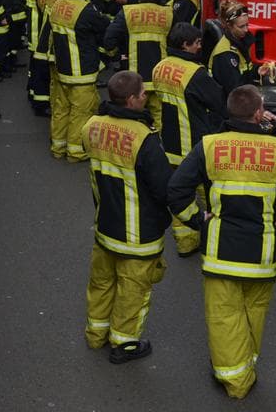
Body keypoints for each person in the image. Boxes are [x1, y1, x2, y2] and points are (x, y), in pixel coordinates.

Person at [168, 85, 276, 399]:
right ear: (257, 112)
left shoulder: (209, 146)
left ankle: (234, 379)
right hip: (262, 256)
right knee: (254, 313)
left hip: (219, 255)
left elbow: (176, 191)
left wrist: (198, 221)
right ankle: (243, 368)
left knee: (225, 317)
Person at [82, 70, 173, 363]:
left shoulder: (91, 126)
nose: (147, 96)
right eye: (143, 94)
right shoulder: (145, 139)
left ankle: (96, 334)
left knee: (102, 283)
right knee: (133, 291)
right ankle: (125, 343)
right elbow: (163, 189)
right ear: (132, 100)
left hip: (105, 225)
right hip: (138, 235)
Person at [153, 23, 225, 256]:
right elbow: (218, 103)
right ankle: (216, 238)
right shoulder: (195, 73)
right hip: (195, 146)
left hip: (170, 144)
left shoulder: (160, 67)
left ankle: (186, 242)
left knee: (181, 194)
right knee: (211, 193)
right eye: (197, 43)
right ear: (185, 44)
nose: (199, 46)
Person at [49, 0, 110, 161]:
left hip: (61, 69)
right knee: (81, 112)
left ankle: (58, 147)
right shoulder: (85, 9)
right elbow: (102, 28)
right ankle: (75, 151)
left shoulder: (58, 3)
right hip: (81, 71)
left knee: (61, 109)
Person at [104, 0, 171, 120]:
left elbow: (109, 39)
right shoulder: (169, 13)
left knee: (132, 117)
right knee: (159, 118)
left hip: (133, 80)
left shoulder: (128, 12)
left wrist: (118, 56)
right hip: (159, 77)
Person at [209, 0, 275, 99]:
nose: (246, 29)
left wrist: (258, 71)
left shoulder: (240, 41)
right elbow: (236, 93)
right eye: (241, 26)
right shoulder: (225, 55)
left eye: (247, 24)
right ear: (229, 26)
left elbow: (244, 71)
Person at [25, 0, 59, 115]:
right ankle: (39, 102)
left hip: (35, 27)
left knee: (36, 65)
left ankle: (33, 93)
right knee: (42, 70)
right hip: (42, 31)